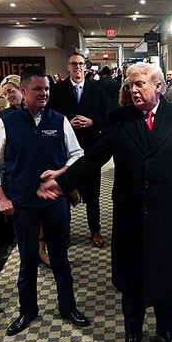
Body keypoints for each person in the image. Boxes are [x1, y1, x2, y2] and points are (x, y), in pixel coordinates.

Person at [37, 62, 172, 342]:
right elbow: (93, 158)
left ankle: (166, 328)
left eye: (139, 84)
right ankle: (133, 332)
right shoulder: (118, 118)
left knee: (166, 278)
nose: (133, 89)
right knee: (132, 280)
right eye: (130, 85)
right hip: (130, 214)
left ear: (157, 87)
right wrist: (63, 181)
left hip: (167, 214)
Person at [0, 67, 90, 337]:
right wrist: (1, 197)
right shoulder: (5, 124)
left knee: (60, 257)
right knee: (27, 259)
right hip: (23, 205)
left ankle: (68, 306)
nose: (43, 93)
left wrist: (61, 172)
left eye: (46, 89)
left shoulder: (59, 120)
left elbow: (77, 155)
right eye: (38, 89)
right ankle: (27, 310)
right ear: (23, 91)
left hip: (55, 202)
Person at [48, 52, 110, 248]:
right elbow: (49, 116)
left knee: (93, 195)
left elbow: (107, 118)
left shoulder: (97, 89)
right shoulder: (57, 90)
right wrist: (66, 124)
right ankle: (64, 233)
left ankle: (95, 230)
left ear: (86, 66)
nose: (78, 67)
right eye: (74, 64)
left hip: (91, 150)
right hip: (65, 150)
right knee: (65, 193)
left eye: (81, 64)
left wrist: (92, 122)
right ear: (68, 67)